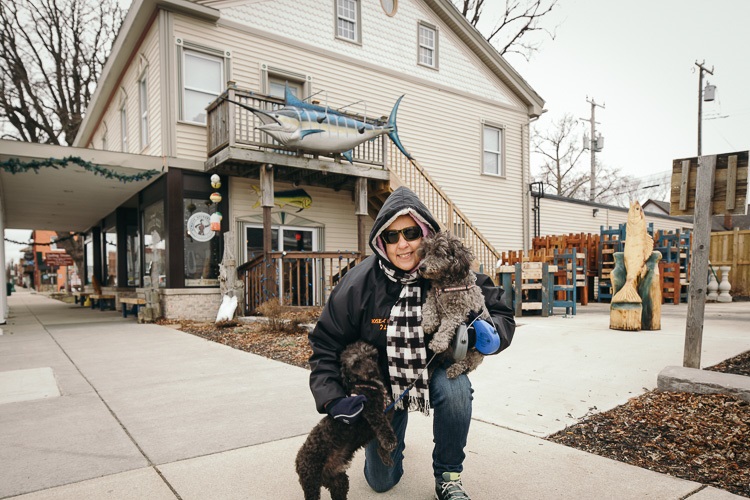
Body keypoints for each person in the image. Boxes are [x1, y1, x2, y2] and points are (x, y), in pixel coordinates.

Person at [308, 186, 515, 500]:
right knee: (381, 482)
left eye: (410, 233)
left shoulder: (451, 271)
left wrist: (485, 334)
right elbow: (326, 344)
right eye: (392, 237)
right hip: (385, 383)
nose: (402, 244)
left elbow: (500, 313)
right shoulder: (357, 285)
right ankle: (393, 431)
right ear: (381, 241)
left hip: (437, 370)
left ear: (426, 235)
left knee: (455, 389)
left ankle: (449, 476)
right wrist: (334, 398)